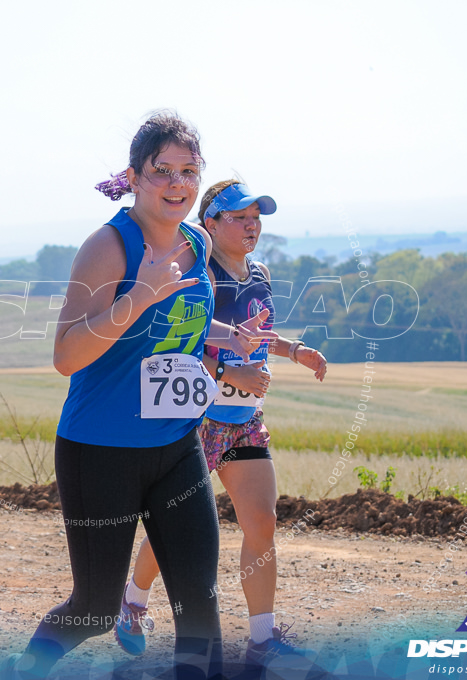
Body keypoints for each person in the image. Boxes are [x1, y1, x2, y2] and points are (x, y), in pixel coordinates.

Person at [5, 113, 274, 680]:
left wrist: (231, 339)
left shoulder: (197, 243)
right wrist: (140, 297)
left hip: (177, 443)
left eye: (189, 171)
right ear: (134, 176)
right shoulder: (108, 247)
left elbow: (188, 327)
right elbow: (66, 355)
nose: (177, 184)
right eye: (162, 171)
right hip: (100, 451)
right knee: (95, 609)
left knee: (199, 599)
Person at [112, 180, 328, 668]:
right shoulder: (195, 274)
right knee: (176, 525)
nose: (252, 225)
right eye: (239, 216)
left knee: (263, 524)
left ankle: (262, 637)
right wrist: (234, 373)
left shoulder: (260, 273)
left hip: (244, 419)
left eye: (257, 217)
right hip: (200, 418)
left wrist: (293, 350)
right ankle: (132, 601)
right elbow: (178, 344)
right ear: (209, 223)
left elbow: (255, 334)